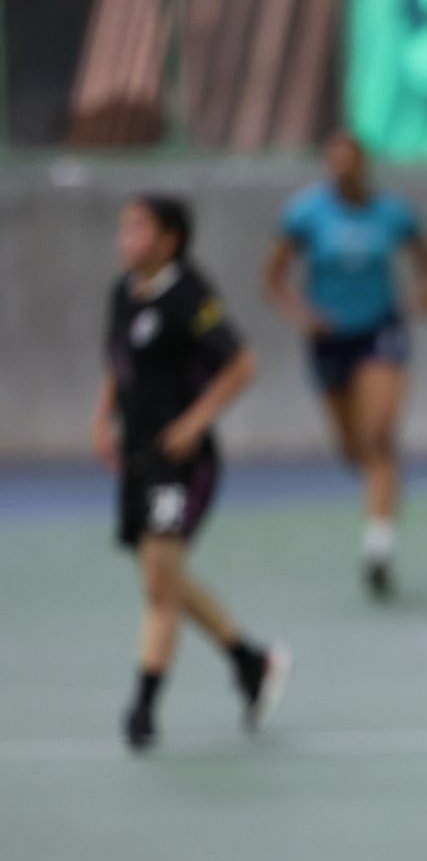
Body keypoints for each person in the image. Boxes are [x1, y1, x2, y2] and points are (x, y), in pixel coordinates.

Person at [91, 195, 291, 752]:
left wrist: (193, 423)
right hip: (137, 460)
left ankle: (143, 708)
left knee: (160, 580)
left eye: (139, 227)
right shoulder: (123, 292)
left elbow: (242, 362)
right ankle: (250, 661)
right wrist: (101, 416)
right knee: (163, 579)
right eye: (123, 226)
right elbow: (117, 363)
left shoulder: (189, 296)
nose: (126, 237)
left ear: (169, 239)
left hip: (180, 466)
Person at [263, 129, 427, 600]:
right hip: (330, 338)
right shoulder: (306, 213)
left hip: (379, 329)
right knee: (354, 449)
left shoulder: (392, 212)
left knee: (378, 435)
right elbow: (274, 275)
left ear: (364, 163)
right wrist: (303, 316)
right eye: (335, 161)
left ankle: (378, 547)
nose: (343, 169)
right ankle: (381, 487)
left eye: (350, 160)